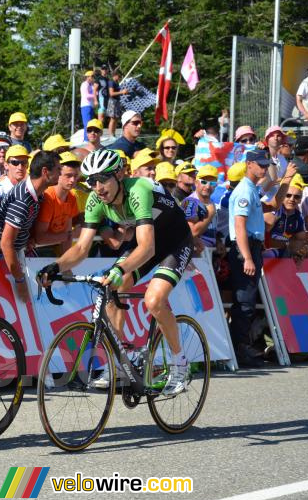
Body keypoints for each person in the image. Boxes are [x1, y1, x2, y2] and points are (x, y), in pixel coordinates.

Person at [37, 149, 194, 395]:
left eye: (102, 179)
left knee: (154, 300)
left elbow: (147, 247)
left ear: (119, 174)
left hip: (174, 241)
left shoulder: (138, 191)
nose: (97, 187)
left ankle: (180, 364)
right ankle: (120, 363)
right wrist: (55, 266)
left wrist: (120, 269)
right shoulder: (95, 201)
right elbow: (81, 248)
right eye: (91, 181)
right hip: (146, 240)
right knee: (109, 287)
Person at [228, 149, 293, 365]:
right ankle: (239, 349)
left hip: (252, 247)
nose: (264, 168)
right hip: (244, 248)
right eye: (261, 164)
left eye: (266, 164)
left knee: (248, 301)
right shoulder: (244, 191)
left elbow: (274, 205)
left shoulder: (252, 189)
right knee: (244, 302)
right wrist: (246, 257)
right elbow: (239, 226)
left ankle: (242, 346)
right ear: (249, 164)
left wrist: (287, 179)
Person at [0, 151, 60, 303]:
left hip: (16, 253)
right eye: (58, 169)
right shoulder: (23, 199)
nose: (60, 173)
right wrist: (20, 281)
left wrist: (27, 237)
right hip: (0, 258)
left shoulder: (37, 191)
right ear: (45, 172)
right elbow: (6, 243)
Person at [33, 151, 80, 256]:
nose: (72, 180)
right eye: (68, 175)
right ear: (58, 173)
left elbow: (67, 231)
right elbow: (40, 238)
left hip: (54, 248)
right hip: (38, 251)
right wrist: (68, 236)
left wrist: (65, 263)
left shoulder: (71, 197)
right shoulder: (48, 196)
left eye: (75, 176)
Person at [263, 184, 308, 259]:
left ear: (300, 200)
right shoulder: (274, 211)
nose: (292, 199)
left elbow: (301, 239)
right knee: (268, 255)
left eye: (296, 197)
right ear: (282, 196)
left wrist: (301, 248)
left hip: (285, 251)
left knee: (305, 253)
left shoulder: (298, 216)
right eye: (288, 195)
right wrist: (289, 244)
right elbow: (265, 241)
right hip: (268, 250)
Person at [181, 165, 218, 251]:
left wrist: (218, 240)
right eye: (204, 182)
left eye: (212, 183)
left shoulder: (211, 201)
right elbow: (192, 232)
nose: (208, 186)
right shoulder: (190, 201)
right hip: (194, 255)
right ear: (196, 182)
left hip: (209, 253)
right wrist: (210, 214)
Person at [0, 144, 29, 211]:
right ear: (6, 165)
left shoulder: (28, 187)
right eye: (15, 162)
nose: (20, 167)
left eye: (24, 162)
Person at [106, 69, 127, 136]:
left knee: (116, 118)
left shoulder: (116, 82)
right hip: (112, 101)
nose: (119, 77)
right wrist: (122, 92)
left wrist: (124, 93)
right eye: (119, 76)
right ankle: (110, 134)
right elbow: (111, 93)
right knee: (112, 118)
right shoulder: (111, 82)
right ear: (115, 75)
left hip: (117, 101)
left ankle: (113, 133)